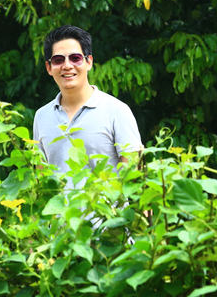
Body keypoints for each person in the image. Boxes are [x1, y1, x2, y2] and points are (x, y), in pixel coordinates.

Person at [33, 24, 143, 181]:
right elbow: (41, 179)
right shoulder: (42, 116)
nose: (67, 65)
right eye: (58, 60)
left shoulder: (117, 111)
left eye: (75, 58)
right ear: (49, 67)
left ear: (89, 62)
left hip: (107, 206)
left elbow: (136, 180)